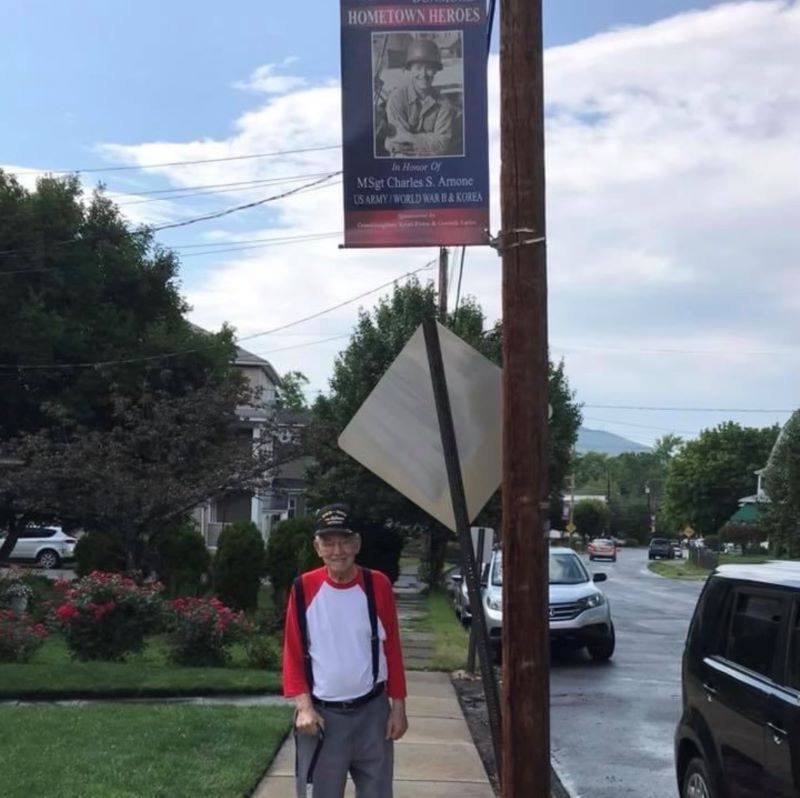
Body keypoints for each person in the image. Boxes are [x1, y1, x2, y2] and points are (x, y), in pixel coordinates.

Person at [283, 504, 408, 798]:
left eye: (344, 541)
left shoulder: (377, 585)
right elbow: (292, 652)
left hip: (373, 714)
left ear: (357, 543)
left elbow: (392, 650)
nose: (337, 550)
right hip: (323, 717)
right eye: (328, 542)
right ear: (317, 547)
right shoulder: (303, 589)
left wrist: (398, 708)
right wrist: (304, 708)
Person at [384, 38, 460, 157]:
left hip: (432, 167)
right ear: (410, 70)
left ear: (435, 71)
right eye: (418, 68)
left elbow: (442, 145)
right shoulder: (396, 99)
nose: (423, 74)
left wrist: (409, 137)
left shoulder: (444, 104)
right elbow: (398, 141)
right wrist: (429, 140)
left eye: (429, 68)